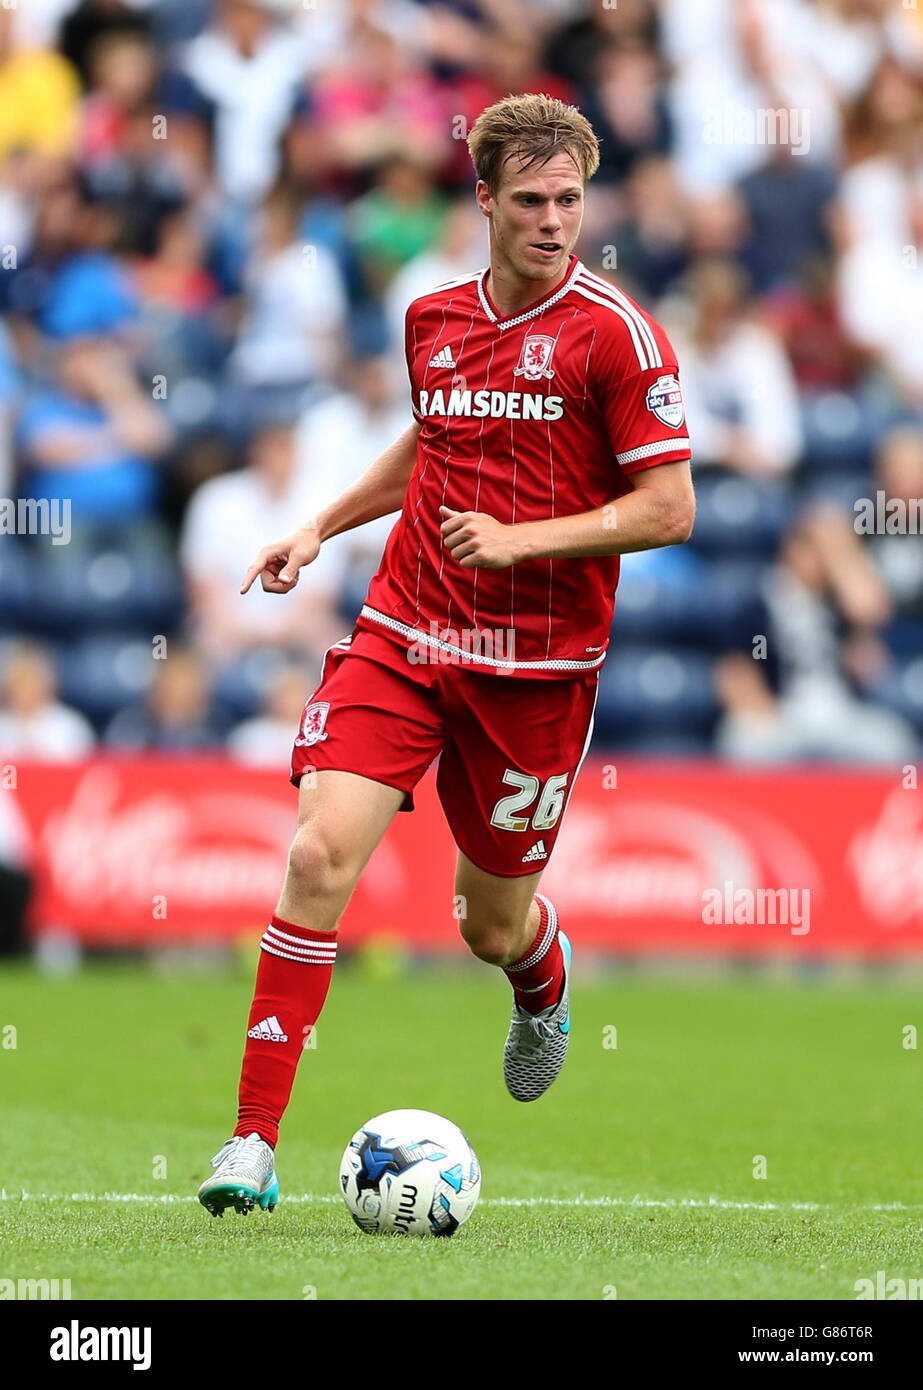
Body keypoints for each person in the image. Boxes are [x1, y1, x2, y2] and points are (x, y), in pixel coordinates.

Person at [197, 93, 696, 1218]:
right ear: (481, 198)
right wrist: (320, 524)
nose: (553, 222)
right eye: (528, 201)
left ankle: (538, 972)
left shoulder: (615, 336)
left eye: (569, 200)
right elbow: (435, 437)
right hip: (407, 631)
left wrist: (525, 539)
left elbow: (667, 507)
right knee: (320, 856)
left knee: (485, 922)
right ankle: (251, 1143)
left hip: (536, 673)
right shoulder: (430, 317)